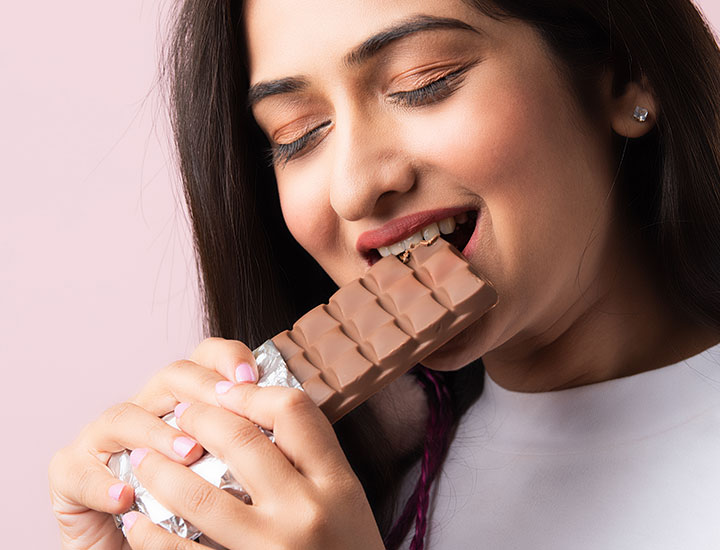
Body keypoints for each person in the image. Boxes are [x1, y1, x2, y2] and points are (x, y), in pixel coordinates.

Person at [49, 0, 720, 548]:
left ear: (626, 75)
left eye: (423, 81)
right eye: (298, 134)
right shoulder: (328, 509)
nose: (353, 187)